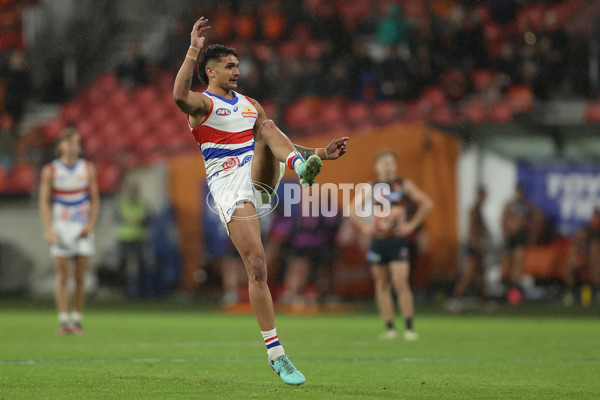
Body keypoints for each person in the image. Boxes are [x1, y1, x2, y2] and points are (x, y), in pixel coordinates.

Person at [172, 17, 348, 386]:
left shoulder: (251, 105)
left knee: (267, 128)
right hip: (227, 186)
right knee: (257, 267)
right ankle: (277, 355)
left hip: (258, 177)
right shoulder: (202, 105)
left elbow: (276, 141)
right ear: (211, 70)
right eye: (230, 66)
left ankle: (302, 170)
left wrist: (321, 154)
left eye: (238, 65)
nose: (237, 70)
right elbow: (177, 96)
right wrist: (192, 48)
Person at [350, 149, 433, 341]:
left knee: (401, 281)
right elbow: (352, 208)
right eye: (384, 162)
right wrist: (365, 227)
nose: (387, 166)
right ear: (377, 166)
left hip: (397, 240)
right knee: (382, 283)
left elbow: (426, 204)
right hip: (378, 240)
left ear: (395, 165)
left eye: (390, 162)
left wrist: (410, 226)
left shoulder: (403, 185)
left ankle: (409, 327)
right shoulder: (371, 187)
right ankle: (389, 328)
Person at [38, 128, 100, 335]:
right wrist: (48, 229)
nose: (75, 146)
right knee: (63, 275)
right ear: (61, 146)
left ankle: (78, 320)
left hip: (82, 227)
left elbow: (95, 199)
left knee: (81, 277)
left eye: (77, 143)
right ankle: (63, 320)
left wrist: (91, 223)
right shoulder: (51, 170)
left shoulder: (87, 168)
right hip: (62, 228)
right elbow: (44, 203)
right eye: (71, 142)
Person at [446, 186, 489, 313]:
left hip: (476, 244)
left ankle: (486, 302)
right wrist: (477, 244)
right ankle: (454, 299)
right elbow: (472, 229)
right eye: (483, 195)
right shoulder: (475, 209)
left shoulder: (479, 209)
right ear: (479, 195)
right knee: (469, 274)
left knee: (481, 275)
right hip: (473, 246)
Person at [501, 183, 534, 305]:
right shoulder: (510, 205)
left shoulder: (526, 205)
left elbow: (532, 219)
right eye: (517, 191)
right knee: (509, 265)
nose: (519, 193)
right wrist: (506, 232)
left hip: (520, 238)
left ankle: (514, 294)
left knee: (518, 265)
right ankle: (509, 291)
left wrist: (529, 233)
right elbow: (503, 219)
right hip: (510, 238)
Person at [116, 183, 150, 297]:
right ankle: (123, 291)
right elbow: (117, 218)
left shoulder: (143, 204)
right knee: (123, 265)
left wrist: (136, 220)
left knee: (141, 265)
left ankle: (142, 291)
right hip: (125, 238)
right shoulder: (122, 204)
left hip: (139, 238)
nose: (133, 195)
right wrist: (135, 220)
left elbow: (148, 219)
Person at [563, 208, 600, 306]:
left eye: (597, 216)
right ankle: (569, 292)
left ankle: (596, 292)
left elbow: (595, 251)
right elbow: (574, 248)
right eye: (594, 216)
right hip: (585, 259)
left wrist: (591, 261)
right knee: (570, 263)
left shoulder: (597, 235)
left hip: (595, 262)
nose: (594, 219)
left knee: (596, 264)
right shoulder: (587, 231)